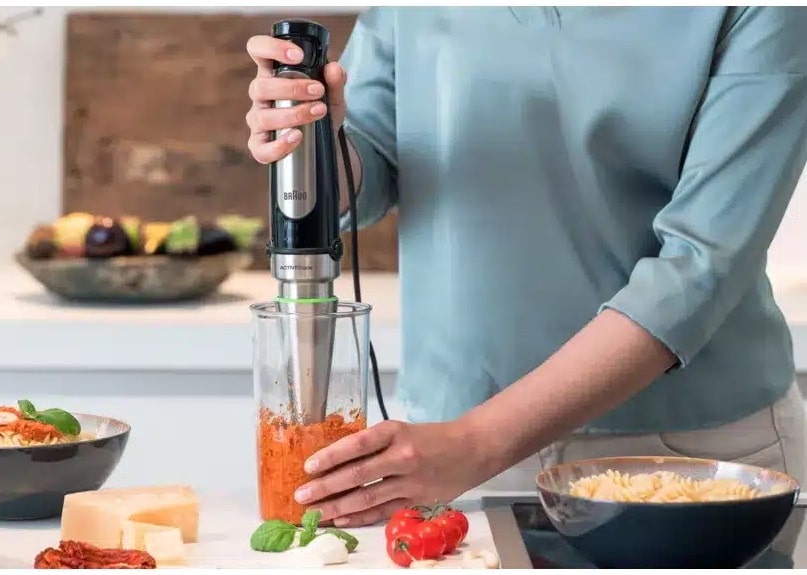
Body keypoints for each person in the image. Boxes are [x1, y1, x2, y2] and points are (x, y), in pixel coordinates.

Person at [243, 5, 807, 549]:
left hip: (684, 457)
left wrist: (474, 444)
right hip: (446, 459)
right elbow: (368, 165)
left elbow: (702, 265)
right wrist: (310, 139)